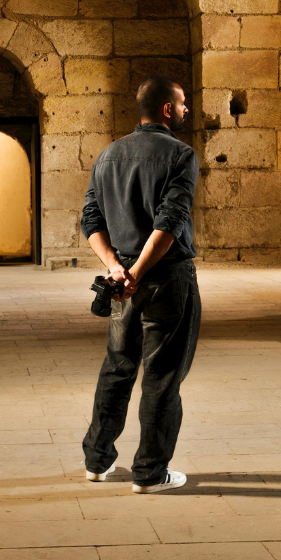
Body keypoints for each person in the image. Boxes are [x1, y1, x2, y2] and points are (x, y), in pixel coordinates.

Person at [79, 75, 200, 493]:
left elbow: (90, 220)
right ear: (167, 108)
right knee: (162, 375)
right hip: (165, 278)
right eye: (183, 103)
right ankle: (150, 472)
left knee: (118, 366)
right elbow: (170, 222)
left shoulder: (108, 155)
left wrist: (117, 268)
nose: (187, 110)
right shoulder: (181, 156)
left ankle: (97, 461)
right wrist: (140, 272)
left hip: (121, 282)